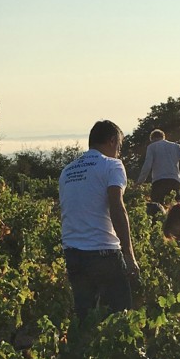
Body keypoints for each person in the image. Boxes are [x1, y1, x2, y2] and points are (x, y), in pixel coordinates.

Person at [59, 120, 140, 323]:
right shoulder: (111, 165)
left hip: (72, 252)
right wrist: (129, 255)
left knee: (85, 318)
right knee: (120, 319)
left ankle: (81, 354)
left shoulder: (67, 171)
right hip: (103, 252)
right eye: (119, 147)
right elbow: (117, 206)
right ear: (112, 141)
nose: (119, 153)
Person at [136, 129, 180, 203]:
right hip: (174, 181)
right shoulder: (176, 146)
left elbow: (147, 165)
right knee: (174, 207)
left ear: (152, 139)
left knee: (158, 208)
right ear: (163, 137)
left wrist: (140, 181)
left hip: (159, 181)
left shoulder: (152, 147)